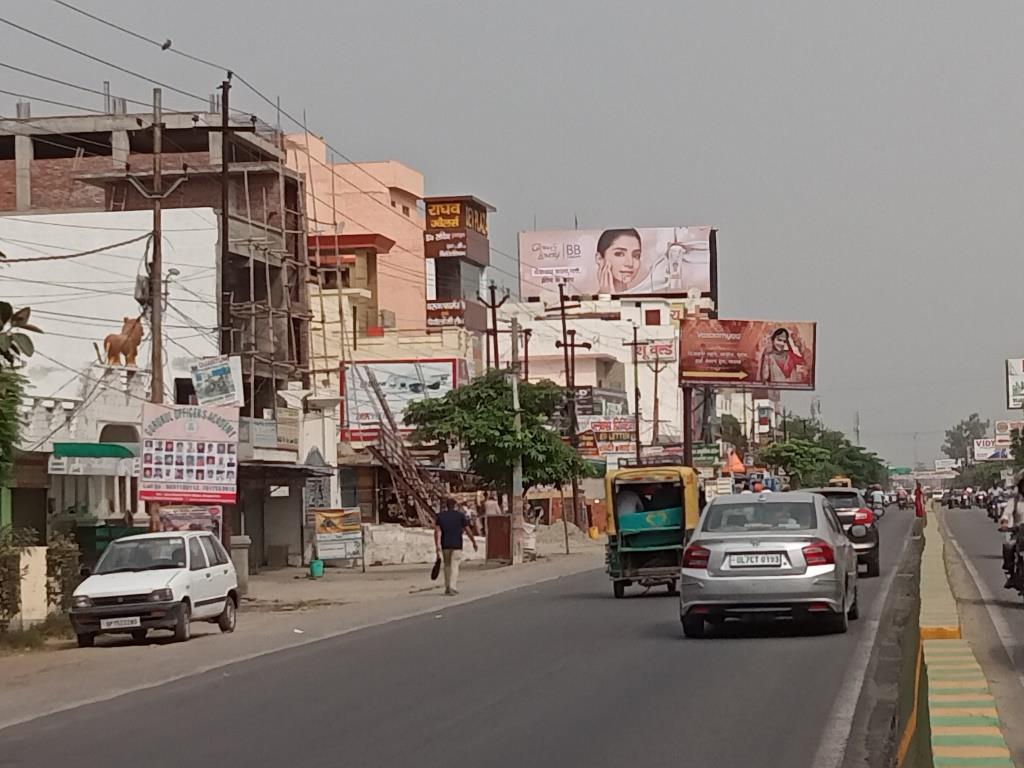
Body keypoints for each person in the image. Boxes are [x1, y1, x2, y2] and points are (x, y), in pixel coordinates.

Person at [434, 499, 478, 596]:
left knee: (447, 565)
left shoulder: (440, 516)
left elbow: (437, 532)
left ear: (446, 506)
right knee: (454, 565)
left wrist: (437, 546)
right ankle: (452, 587)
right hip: (457, 544)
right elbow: (468, 530)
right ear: (455, 506)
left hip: (445, 544)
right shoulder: (460, 516)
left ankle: (447, 587)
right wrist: (474, 542)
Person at [595, 228, 644, 294]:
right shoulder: (588, 300)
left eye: (636, 255)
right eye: (619, 254)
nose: (630, 264)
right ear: (599, 258)